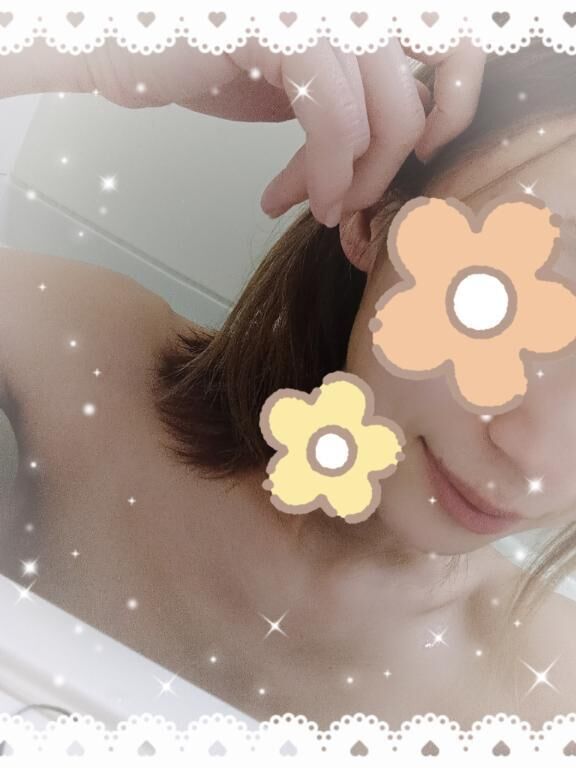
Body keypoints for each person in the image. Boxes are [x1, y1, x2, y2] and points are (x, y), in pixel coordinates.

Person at [1, 36, 576, 731]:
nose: (538, 458)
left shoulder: (551, 706)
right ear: (377, 210)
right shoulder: (81, 361)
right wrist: (74, 50)